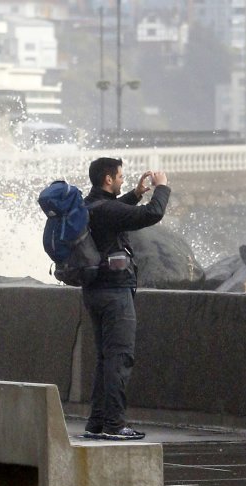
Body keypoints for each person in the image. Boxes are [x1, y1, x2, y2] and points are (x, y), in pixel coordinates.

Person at [82, 157, 170, 440]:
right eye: (119, 176)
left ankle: (97, 423)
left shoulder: (89, 206)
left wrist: (134, 194)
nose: (121, 179)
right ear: (108, 179)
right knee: (120, 359)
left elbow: (115, 213)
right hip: (115, 292)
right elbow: (152, 215)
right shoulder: (108, 209)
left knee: (105, 359)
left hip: (94, 290)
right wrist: (161, 188)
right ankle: (115, 425)